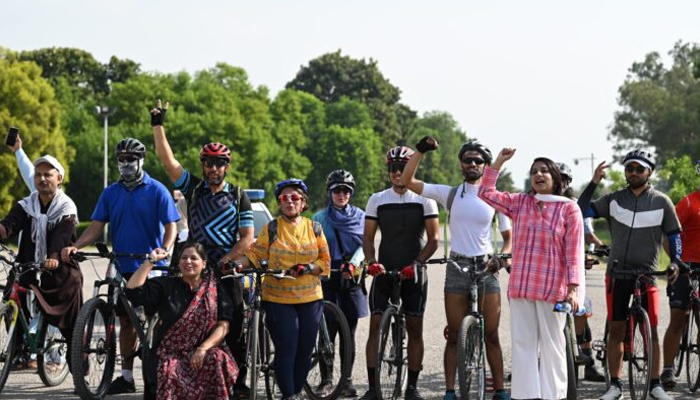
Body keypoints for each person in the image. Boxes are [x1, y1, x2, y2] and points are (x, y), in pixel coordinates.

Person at [150, 100, 254, 396]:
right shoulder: (194, 188)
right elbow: (168, 162)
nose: (214, 168)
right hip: (192, 264)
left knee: (232, 325)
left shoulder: (238, 195)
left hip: (223, 267)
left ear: (227, 166)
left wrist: (225, 260)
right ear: (203, 165)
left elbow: (247, 238)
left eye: (219, 163)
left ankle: (239, 381)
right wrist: (158, 125)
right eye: (208, 163)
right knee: (172, 319)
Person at [61, 137, 180, 394]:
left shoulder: (157, 189)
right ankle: (126, 377)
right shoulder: (110, 192)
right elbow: (95, 228)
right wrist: (76, 246)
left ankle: (159, 371)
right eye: (121, 159)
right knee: (125, 321)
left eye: (130, 159)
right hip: (122, 262)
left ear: (141, 161)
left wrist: (164, 249)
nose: (125, 164)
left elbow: (172, 226)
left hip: (151, 264)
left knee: (154, 321)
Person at [400, 137, 512, 400]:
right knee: (454, 335)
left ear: (486, 166)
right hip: (457, 266)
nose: (472, 163)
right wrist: (419, 151)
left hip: (487, 265)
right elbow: (407, 181)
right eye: (467, 160)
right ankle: (450, 391)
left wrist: (502, 258)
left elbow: (509, 239)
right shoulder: (449, 193)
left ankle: (500, 390)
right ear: (461, 164)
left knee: (492, 335)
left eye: (478, 160)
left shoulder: (496, 198)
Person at [478, 149, 584, 400]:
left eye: (544, 170)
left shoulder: (569, 209)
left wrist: (573, 288)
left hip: (552, 290)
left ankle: (554, 396)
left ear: (556, 178)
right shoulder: (520, 203)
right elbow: (485, 193)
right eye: (534, 171)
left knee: (553, 347)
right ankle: (525, 397)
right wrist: (499, 162)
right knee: (523, 345)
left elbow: (573, 252)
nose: (538, 174)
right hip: (522, 287)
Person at [577, 150, 681, 400]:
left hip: (648, 275)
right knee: (616, 330)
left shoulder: (662, 201)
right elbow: (581, 209)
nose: (633, 173)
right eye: (629, 168)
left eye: (639, 169)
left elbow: (674, 235)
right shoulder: (613, 199)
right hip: (618, 274)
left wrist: (676, 262)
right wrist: (593, 183)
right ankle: (615, 385)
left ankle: (655, 384)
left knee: (652, 331)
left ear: (649, 172)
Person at [236, 178, 331, 400]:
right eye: (284, 198)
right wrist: (238, 264)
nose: (289, 201)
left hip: (310, 297)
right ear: (279, 203)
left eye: (294, 197)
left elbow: (325, 261)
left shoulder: (314, 228)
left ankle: (296, 392)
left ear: (303, 202)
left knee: (305, 350)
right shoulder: (272, 228)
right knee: (288, 347)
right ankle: (289, 395)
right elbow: (255, 255)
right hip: (278, 298)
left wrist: (308, 267)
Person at [359, 145, 439, 400]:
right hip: (385, 270)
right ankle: (373, 389)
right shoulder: (377, 199)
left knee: (415, 329)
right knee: (375, 328)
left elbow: (434, 240)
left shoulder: (425, 199)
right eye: (393, 168)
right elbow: (368, 239)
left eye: (402, 168)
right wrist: (371, 262)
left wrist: (417, 263)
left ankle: (412, 388)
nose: (397, 172)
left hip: (413, 270)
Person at [125, 242, 238, 400]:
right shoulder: (168, 285)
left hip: (203, 350)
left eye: (194, 258)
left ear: (204, 263)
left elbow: (224, 325)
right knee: (168, 370)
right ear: (178, 263)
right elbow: (133, 291)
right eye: (184, 258)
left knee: (218, 359)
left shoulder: (215, 290)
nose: (188, 262)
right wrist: (150, 261)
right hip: (170, 351)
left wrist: (202, 348)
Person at [0, 155, 82, 370]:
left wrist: (53, 258)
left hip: (59, 271)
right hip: (28, 266)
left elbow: (62, 237)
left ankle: (75, 362)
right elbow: (10, 224)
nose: (42, 178)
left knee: (68, 317)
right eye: (38, 174)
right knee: (12, 296)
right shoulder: (26, 205)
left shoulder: (66, 208)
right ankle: (18, 351)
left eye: (48, 174)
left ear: (59, 179)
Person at [312, 170, 368, 397]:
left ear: (351, 193)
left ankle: (346, 381)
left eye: (346, 190)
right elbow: (314, 247)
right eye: (337, 190)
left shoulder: (361, 216)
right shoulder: (319, 218)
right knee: (327, 333)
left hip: (351, 277)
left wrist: (353, 264)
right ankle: (326, 380)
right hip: (327, 276)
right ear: (330, 192)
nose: (341, 194)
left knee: (348, 334)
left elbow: (366, 245)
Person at [556, 162, 606, 383]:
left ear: (568, 183)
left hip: (573, 263)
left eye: (564, 180)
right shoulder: (535, 201)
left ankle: (588, 360)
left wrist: (593, 251)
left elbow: (586, 234)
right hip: (548, 266)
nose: (560, 183)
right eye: (556, 178)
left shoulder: (575, 205)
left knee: (581, 308)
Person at [660, 159, 700, 390]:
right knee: (678, 318)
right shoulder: (687, 203)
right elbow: (667, 235)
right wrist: (676, 262)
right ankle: (667, 369)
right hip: (686, 267)